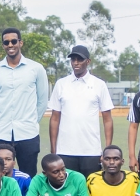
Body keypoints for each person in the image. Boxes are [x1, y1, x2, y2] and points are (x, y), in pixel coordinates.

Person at [0, 27, 50, 176]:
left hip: (28, 134)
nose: (10, 45)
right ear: (3, 45)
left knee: (28, 176)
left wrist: (32, 121)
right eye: (6, 42)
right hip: (1, 132)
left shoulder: (36, 68)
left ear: (20, 43)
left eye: (13, 41)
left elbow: (42, 101)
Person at [48, 45, 114, 178]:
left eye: (80, 59)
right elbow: (54, 119)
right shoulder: (61, 84)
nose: (76, 63)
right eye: (73, 59)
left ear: (88, 61)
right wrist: (53, 149)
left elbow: (107, 119)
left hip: (91, 151)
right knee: (68, 192)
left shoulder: (99, 84)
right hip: (65, 150)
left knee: (91, 192)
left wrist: (107, 150)